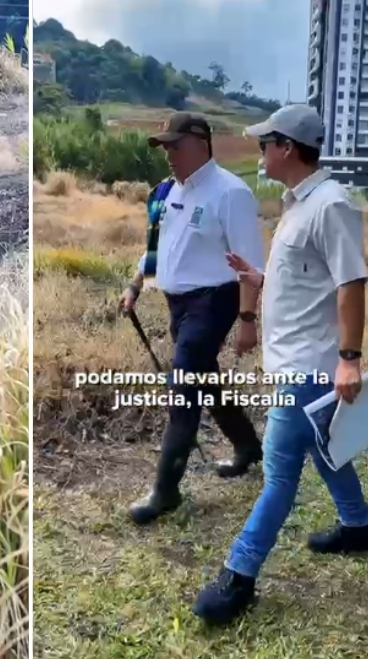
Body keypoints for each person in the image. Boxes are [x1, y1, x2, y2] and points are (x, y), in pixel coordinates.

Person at [193, 104, 368, 625]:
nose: (260, 153)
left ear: (287, 148)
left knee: (278, 475)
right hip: (295, 359)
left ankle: (239, 573)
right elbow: (309, 280)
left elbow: (350, 284)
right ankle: (359, 526)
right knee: (324, 449)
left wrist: (349, 360)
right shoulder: (299, 203)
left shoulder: (331, 204)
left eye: (264, 144)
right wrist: (259, 278)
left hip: (309, 366)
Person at [121, 112, 267, 526]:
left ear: (201, 144)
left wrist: (247, 319)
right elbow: (156, 248)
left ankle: (165, 490)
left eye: (176, 145)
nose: (169, 154)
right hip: (179, 304)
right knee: (204, 379)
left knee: (183, 386)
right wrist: (135, 285)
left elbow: (249, 264)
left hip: (215, 301)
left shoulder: (231, 193)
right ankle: (247, 446)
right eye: (165, 147)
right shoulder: (166, 191)